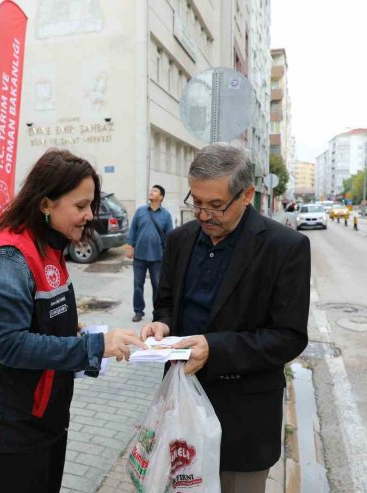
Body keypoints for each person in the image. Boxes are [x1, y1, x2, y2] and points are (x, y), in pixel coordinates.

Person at [0, 149, 146, 493]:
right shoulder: (10, 257)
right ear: (46, 204)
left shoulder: (49, 247)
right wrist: (94, 346)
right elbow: (9, 343)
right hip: (12, 426)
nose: (89, 216)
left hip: (44, 418)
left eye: (91, 205)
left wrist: (77, 331)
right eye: (80, 206)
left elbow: (39, 318)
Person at [141, 142, 310, 493]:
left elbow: (289, 336)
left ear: (246, 194)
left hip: (244, 423)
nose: (203, 215)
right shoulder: (179, 240)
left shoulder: (285, 248)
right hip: (181, 412)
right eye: (196, 202)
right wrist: (162, 325)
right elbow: (167, 302)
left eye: (216, 205)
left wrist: (214, 349)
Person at [126, 185, 173, 323]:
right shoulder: (140, 211)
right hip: (139, 255)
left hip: (158, 257)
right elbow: (133, 230)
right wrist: (130, 247)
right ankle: (138, 311)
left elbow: (170, 236)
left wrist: (169, 255)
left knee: (158, 286)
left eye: (155, 191)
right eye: (151, 190)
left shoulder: (166, 215)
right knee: (137, 285)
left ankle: (158, 313)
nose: (151, 192)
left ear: (161, 197)